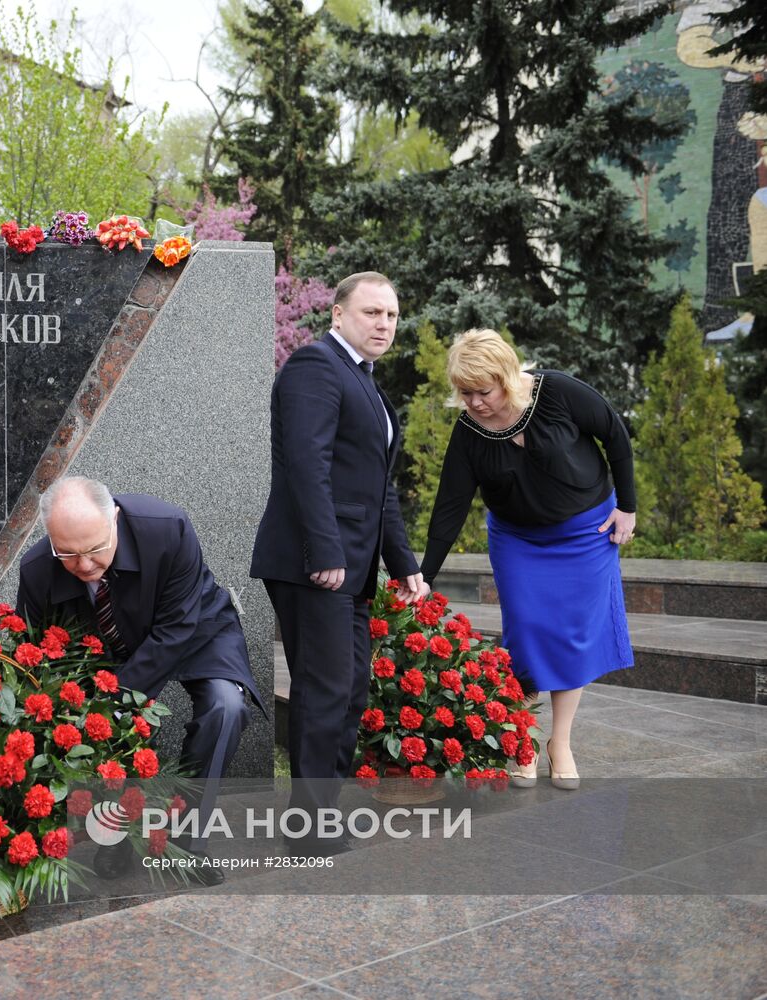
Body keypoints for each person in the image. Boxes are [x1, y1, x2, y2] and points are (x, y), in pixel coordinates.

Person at [251, 271, 428, 853]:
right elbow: (307, 464)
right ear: (338, 314)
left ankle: (322, 811)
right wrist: (325, 553)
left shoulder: (365, 382)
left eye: (392, 316)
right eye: (372, 312)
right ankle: (309, 829)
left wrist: (403, 563)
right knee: (325, 690)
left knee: (350, 689)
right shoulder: (316, 366)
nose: (384, 324)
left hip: (352, 566)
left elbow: (380, 489)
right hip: (315, 563)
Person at [419, 329, 636, 791]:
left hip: (585, 532)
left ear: (507, 378)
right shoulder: (470, 432)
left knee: (573, 635)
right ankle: (521, 739)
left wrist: (628, 507)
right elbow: (450, 506)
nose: (474, 402)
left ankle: (560, 743)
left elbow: (614, 434)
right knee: (527, 633)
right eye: (465, 392)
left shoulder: (556, 393)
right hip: (518, 541)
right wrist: (424, 576)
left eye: (483, 390)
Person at [16, 477, 262, 883]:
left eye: (95, 549)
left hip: (195, 629)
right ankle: (115, 837)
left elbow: (176, 629)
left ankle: (186, 842)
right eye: (69, 554)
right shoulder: (38, 569)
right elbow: (43, 658)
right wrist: (90, 710)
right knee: (96, 724)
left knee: (225, 707)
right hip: (103, 652)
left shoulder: (167, 528)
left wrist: (115, 703)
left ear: (113, 517)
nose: (85, 566)